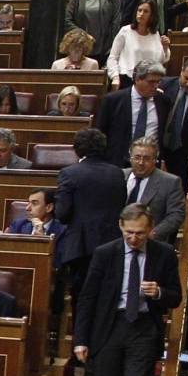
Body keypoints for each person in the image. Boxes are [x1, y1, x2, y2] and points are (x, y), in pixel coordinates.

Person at [75, 204, 182, 376]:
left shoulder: (165, 254)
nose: (134, 239)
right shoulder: (105, 253)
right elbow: (87, 298)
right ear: (121, 227)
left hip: (144, 328)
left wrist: (158, 292)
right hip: (110, 327)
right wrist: (81, 339)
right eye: (130, 233)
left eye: (141, 233)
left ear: (151, 229)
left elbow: (175, 297)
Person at [56, 127, 127, 299]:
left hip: (81, 247)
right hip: (112, 242)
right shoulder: (117, 173)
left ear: (77, 148)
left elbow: (62, 213)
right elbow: (122, 203)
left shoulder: (69, 173)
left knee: (82, 298)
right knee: (105, 296)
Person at [122, 138, 187, 248]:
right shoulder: (120, 175)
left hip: (151, 243)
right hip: (119, 239)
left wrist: (152, 234)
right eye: (137, 158)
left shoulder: (170, 182)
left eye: (146, 159)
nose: (141, 163)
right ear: (130, 157)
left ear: (155, 160)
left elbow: (176, 214)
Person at [106, 0, 170, 88]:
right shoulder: (125, 31)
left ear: (152, 15)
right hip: (126, 78)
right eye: (139, 10)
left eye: (146, 11)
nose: (141, 14)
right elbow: (113, 57)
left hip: (148, 80)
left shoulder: (155, 34)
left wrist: (165, 47)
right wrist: (115, 77)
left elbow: (160, 61)